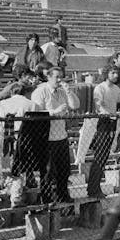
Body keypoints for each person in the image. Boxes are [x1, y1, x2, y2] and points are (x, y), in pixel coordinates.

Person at [30, 67, 80, 203]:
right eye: (57, 77)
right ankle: (46, 200)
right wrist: (54, 112)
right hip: (47, 139)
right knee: (47, 173)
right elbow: (36, 114)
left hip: (61, 137)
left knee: (64, 171)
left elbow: (75, 105)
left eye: (61, 77)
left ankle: (63, 197)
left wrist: (69, 91)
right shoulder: (40, 92)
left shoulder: (63, 91)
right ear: (49, 77)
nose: (59, 80)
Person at [88, 66, 120, 198]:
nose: (116, 75)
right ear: (106, 74)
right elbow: (99, 105)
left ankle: (96, 187)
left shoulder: (116, 89)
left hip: (113, 122)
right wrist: (109, 113)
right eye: (113, 73)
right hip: (103, 123)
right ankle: (93, 188)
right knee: (99, 156)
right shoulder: (100, 88)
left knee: (104, 156)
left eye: (116, 73)